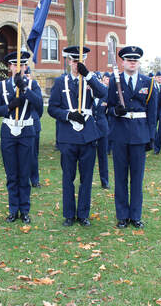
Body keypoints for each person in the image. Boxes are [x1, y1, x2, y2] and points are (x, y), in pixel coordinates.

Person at [48, 45, 106, 227]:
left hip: (88, 135)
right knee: (68, 177)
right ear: (68, 61)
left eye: (79, 61)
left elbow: (103, 93)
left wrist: (87, 74)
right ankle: (69, 214)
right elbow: (52, 108)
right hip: (67, 135)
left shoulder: (90, 80)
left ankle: (83, 214)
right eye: (74, 61)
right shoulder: (60, 82)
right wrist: (67, 115)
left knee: (86, 178)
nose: (76, 64)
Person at [108, 46, 157, 229]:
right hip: (120, 134)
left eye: (135, 60)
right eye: (129, 59)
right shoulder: (115, 81)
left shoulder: (148, 83)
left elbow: (153, 113)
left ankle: (135, 215)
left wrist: (151, 137)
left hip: (139, 135)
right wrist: (115, 110)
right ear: (122, 62)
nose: (132, 62)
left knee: (137, 178)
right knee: (120, 177)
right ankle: (122, 215)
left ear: (138, 62)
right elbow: (107, 108)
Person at [0, 51, 43, 223]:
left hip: (26, 132)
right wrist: (9, 106)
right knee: (12, 174)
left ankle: (25, 210)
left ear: (25, 66)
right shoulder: (2, 86)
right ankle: (13, 209)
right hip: (8, 132)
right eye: (14, 65)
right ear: (9, 67)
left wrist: (25, 89)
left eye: (21, 65)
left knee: (24, 173)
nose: (18, 68)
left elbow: (40, 107)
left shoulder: (33, 85)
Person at [25, 66, 43, 188]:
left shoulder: (34, 85)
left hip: (33, 123)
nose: (26, 77)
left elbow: (39, 104)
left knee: (33, 154)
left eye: (27, 75)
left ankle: (34, 179)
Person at [93, 71, 110, 189]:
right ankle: (87, 179)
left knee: (103, 156)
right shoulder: (86, 94)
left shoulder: (106, 94)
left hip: (103, 128)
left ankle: (104, 181)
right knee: (88, 156)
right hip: (89, 129)